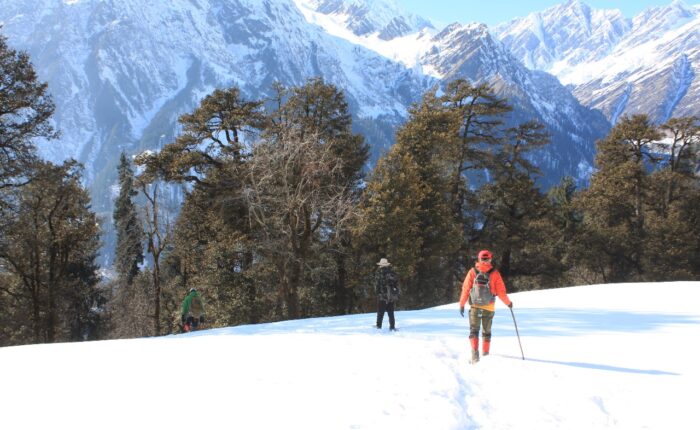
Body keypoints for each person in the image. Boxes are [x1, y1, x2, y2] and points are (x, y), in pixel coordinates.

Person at [459, 250, 512, 363]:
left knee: (474, 331)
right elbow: (501, 292)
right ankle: (486, 356)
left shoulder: (472, 272)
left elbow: (465, 289)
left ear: (478, 259)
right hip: (489, 307)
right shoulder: (495, 273)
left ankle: (475, 357)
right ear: (490, 259)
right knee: (486, 333)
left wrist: (462, 304)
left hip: (475, 306)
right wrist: (508, 303)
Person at [374, 258, 400, 331]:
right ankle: (392, 327)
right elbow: (396, 283)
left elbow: (377, 285)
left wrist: (377, 293)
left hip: (382, 295)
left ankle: (378, 326)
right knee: (391, 312)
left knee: (380, 312)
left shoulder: (379, 272)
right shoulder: (392, 272)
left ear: (381, 265)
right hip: (391, 295)